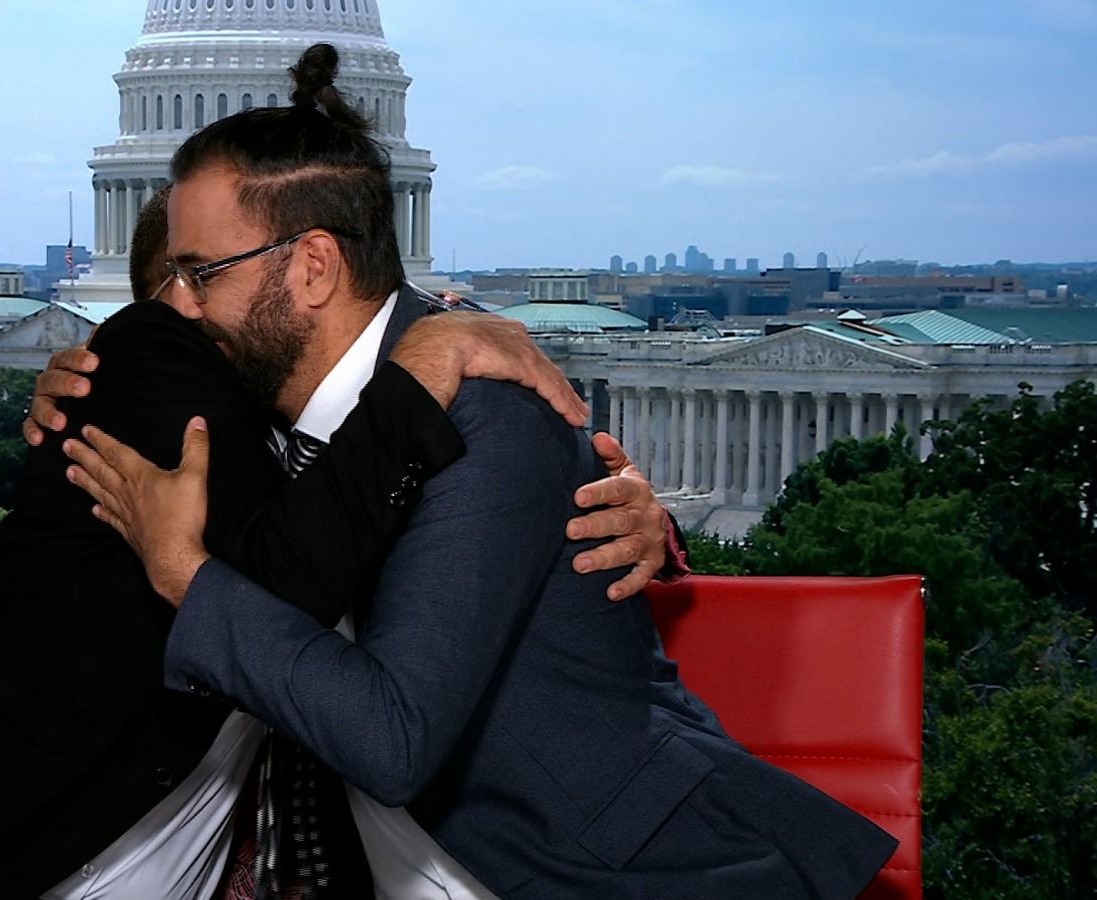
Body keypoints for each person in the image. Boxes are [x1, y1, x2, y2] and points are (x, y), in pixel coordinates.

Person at [66, 42, 899, 899]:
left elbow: (393, 738)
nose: (181, 310)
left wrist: (185, 574)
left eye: (200, 274)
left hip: (594, 870)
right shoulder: (248, 408)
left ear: (312, 265)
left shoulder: (482, 404)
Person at [0, 186, 668, 897]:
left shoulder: (320, 461)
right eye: (185, 290)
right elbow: (275, 588)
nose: (202, 319)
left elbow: (429, 549)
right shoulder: (153, 385)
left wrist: (621, 506)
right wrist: (421, 374)